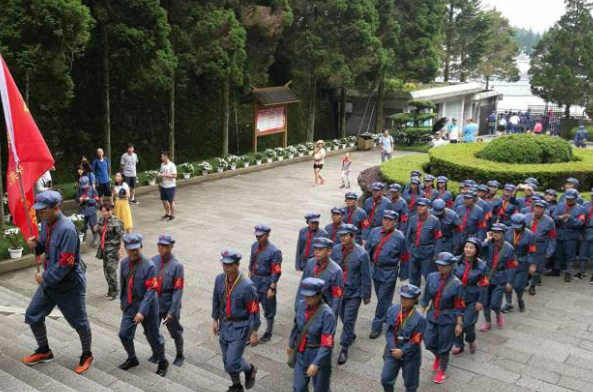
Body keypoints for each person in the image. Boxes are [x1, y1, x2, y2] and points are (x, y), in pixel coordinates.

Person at [22, 191, 94, 374]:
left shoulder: (67, 229)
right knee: (33, 314)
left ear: (56, 208)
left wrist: (45, 277)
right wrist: (35, 246)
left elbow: (67, 263)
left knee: (79, 323)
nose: (40, 214)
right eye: (39, 210)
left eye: (43, 210)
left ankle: (87, 354)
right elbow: (44, 247)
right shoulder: (47, 224)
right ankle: (44, 351)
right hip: (51, 283)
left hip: (69, 285)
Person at [118, 233, 168, 376]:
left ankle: (163, 361)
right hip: (130, 306)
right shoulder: (124, 263)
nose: (134, 252)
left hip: (148, 307)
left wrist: (142, 311)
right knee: (124, 334)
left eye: (137, 248)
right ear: (126, 249)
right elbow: (124, 285)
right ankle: (132, 358)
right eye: (131, 249)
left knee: (153, 337)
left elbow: (151, 291)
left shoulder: (149, 266)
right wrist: (123, 303)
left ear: (141, 247)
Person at [212, 248, 260, 392]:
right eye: (224, 264)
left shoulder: (247, 286)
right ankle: (236, 385)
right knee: (226, 360)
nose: (225, 267)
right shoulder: (219, 279)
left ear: (237, 265)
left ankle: (250, 369)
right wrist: (215, 320)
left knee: (232, 361)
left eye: (229, 264)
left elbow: (254, 310)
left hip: (240, 327)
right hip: (224, 325)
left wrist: (253, 332)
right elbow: (216, 300)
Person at [420, 252, 465, 384]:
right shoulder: (431, 277)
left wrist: (459, 324)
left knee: (445, 346)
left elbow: (459, 306)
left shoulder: (457, 284)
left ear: (451, 266)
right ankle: (438, 356)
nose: (440, 267)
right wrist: (420, 315)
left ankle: (442, 370)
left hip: (448, 318)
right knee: (428, 342)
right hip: (432, 314)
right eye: (439, 265)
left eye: (444, 265)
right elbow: (425, 298)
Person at [330, 224, 371, 365]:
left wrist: (366, 295)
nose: (342, 237)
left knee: (348, 319)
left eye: (346, 235)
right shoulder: (335, 250)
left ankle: (344, 347)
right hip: (338, 291)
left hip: (354, 292)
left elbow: (366, 275)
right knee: (342, 316)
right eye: (341, 235)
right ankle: (350, 333)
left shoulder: (362, 254)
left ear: (353, 237)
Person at [365, 210, 409, 339]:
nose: (387, 222)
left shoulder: (399, 237)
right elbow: (368, 250)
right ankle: (399, 316)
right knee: (383, 299)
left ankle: (376, 325)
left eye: (390, 220)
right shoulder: (374, 232)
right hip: (375, 270)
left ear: (395, 222)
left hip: (389, 272)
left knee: (383, 299)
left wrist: (403, 274)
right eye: (385, 219)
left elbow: (405, 256)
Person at [288, 277, 336, 392]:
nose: (307, 298)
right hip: (301, 352)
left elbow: (327, 343)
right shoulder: (300, 305)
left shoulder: (327, 314)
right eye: (305, 295)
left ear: (319, 295)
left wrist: (316, 363)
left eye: (311, 295)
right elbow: (296, 327)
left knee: (321, 389)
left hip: (318, 354)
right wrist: (291, 345)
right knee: (298, 388)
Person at [380, 284, 425, 392]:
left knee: (411, 385)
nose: (403, 300)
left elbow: (417, 339)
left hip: (410, 354)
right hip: (393, 349)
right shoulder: (393, 310)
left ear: (414, 300)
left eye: (407, 298)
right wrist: (393, 349)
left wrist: (403, 351)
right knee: (385, 379)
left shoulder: (420, 318)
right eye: (402, 297)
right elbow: (389, 331)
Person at [151, 234, 185, 366]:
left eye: (165, 246)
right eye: (160, 245)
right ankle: (157, 353)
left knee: (175, 331)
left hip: (169, 303)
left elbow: (178, 290)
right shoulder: (153, 260)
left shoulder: (177, 266)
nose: (162, 248)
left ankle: (180, 354)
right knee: (153, 330)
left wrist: (172, 310)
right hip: (155, 303)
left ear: (171, 247)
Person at [451, 238, 488, 354]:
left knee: (467, 324)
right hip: (456, 296)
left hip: (471, 297)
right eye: (466, 247)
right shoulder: (456, 261)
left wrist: (480, 301)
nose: (468, 249)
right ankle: (458, 344)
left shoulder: (481, 266)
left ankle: (471, 339)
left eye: (471, 248)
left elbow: (484, 284)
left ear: (476, 250)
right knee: (456, 321)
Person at [248, 224, 283, 343]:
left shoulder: (274, 251)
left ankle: (268, 330)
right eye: (257, 236)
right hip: (254, 281)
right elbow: (251, 262)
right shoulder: (254, 246)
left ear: (267, 235)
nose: (258, 238)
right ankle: (252, 331)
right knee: (252, 308)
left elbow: (276, 270)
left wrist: (272, 287)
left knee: (269, 309)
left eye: (261, 236)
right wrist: (249, 279)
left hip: (266, 283)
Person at [480, 223, 515, 332]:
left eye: (498, 232)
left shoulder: (509, 248)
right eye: (494, 232)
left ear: (503, 234)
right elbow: (479, 251)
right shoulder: (488, 243)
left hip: (500, 277)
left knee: (495, 303)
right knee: (485, 301)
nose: (495, 234)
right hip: (487, 275)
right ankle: (488, 322)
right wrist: (486, 240)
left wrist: (509, 281)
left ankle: (498, 313)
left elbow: (511, 266)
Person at [297, 237, 344, 317]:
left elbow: (337, 296)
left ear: (329, 251)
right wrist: (298, 305)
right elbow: (303, 285)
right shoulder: (310, 263)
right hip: (308, 306)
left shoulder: (336, 271)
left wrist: (332, 316)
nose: (317, 252)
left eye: (320, 249)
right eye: (315, 249)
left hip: (324, 309)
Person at [502, 214, 536, 313]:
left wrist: (531, 264)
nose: (516, 229)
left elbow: (532, 251)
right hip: (509, 261)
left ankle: (520, 299)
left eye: (519, 227)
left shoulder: (530, 235)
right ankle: (508, 303)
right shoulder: (507, 231)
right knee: (507, 284)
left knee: (518, 285)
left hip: (522, 261)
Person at [549, 189, 586, 282]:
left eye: (571, 199)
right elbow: (553, 217)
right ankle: (556, 270)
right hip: (560, 233)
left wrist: (571, 218)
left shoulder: (581, 209)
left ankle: (568, 273)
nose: (569, 200)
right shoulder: (560, 205)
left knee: (570, 255)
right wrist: (560, 217)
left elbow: (580, 223)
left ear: (576, 198)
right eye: (567, 198)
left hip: (571, 235)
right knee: (558, 253)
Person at [406, 198, 442, 288]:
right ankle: (413, 295)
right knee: (413, 274)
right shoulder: (413, 218)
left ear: (428, 207)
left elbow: (438, 238)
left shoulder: (435, 220)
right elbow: (408, 236)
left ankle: (430, 295)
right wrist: (407, 250)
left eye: (422, 206)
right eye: (418, 205)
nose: (420, 207)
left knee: (428, 275)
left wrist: (436, 253)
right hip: (414, 250)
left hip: (427, 252)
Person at [524, 200, 556, 295]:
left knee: (538, 269)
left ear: (544, 209)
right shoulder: (526, 217)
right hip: (526, 246)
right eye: (536, 207)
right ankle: (526, 279)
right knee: (525, 266)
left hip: (540, 247)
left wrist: (549, 252)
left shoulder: (549, 221)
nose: (538, 209)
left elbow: (552, 237)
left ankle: (533, 285)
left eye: (540, 208)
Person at [94, 202, 125, 300]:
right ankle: (110, 289)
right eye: (102, 211)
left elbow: (122, 236)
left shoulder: (117, 222)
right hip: (104, 249)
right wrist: (96, 228)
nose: (104, 213)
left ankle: (115, 291)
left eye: (106, 211)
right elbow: (97, 228)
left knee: (111, 271)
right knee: (106, 271)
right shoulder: (102, 220)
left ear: (110, 210)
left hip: (113, 249)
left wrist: (121, 249)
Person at [75, 176, 100, 245]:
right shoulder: (79, 190)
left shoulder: (92, 189)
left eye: (85, 186)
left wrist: (89, 199)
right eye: (82, 186)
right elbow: (76, 199)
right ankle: (83, 240)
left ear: (88, 183)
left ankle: (95, 240)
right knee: (82, 226)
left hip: (91, 210)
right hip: (82, 210)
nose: (84, 188)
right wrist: (79, 199)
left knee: (93, 226)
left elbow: (97, 200)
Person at [158, 151, 177, 221]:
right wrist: (159, 176)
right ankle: (167, 213)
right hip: (163, 185)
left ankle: (172, 215)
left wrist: (164, 175)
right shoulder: (162, 164)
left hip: (170, 186)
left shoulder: (172, 165)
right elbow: (161, 173)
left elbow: (175, 176)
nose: (161, 158)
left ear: (166, 157)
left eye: (162, 156)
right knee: (164, 201)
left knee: (171, 201)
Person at [579, 191, 593, 282]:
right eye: (592, 195)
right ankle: (582, 272)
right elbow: (581, 216)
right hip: (586, 230)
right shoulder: (586, 204)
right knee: (582, 252)